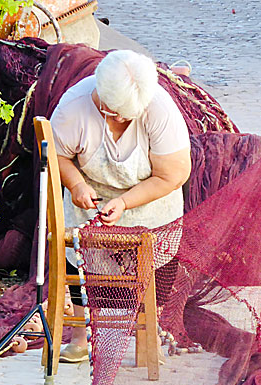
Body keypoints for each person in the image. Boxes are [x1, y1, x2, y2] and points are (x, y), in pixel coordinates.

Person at [49, 49, 191, 363]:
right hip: (92, 198)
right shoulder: (74, 106)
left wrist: (126, 202)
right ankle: (81, 335)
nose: (119, 120)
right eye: (111, 112)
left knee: (159, 258)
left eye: (127, 115)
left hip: (152, 198)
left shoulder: (161, 111)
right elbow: (56, 156)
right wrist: (76, 185)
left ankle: (147, 334)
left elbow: (174, 173)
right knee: (82, 253)